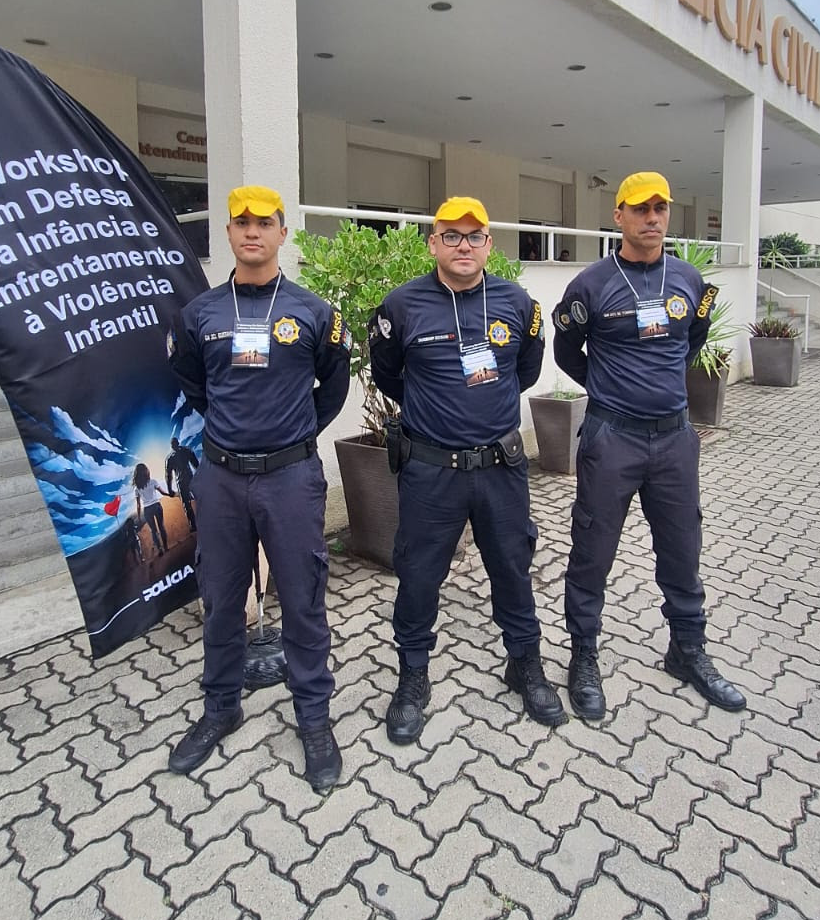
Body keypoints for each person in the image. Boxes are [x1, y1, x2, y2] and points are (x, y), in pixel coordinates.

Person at [167, 185, 352, 791]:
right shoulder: (200, 315)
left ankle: (314, 717)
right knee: (221, 597)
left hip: (291, 478)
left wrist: (290, 438)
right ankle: (222, 706)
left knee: (303, 597)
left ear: (283, 233)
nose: (252, 232)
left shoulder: (313, 312)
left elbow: (331, 389)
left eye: (264, 223)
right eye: (241, 222)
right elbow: (195, 385)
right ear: (228, 234)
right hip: (220, 478)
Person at [369, 196, 566, 745]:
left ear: (489, 245)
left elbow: (524, 371)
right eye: (451, 235)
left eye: (474, 236)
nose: (463, 245)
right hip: (431, 471)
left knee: (512, 567)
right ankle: (412, 677)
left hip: (500, 468)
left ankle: (524, 663)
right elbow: (389, 376)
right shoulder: (401, 306)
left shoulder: (517, 303)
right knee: (418, 576)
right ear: (432, 243)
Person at [552, 172, 746, 717]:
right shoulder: (590, 285)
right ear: (619, 216)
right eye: (641, 209)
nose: (654, 218)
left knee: (683, 552)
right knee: (592, 554)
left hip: (676, 441)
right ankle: (583, 655)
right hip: (612, 439)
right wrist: (612, 391)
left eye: (660, 207)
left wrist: (658, 391)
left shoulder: (689, 279)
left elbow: (693, 341)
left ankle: (687, 650)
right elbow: (568, 352)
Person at [132, 462, 171, 555]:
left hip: (147, 510)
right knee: (161, 527)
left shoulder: (137, 488)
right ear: (146, 471)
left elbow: (138, 505)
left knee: (153, 530)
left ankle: (160, 550)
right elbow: (162, 492)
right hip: (157, 506)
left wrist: (138, 516)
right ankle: (166, 547)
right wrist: (170, 494)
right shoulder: (153, 481)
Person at [165, 436, 199, 531]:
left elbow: (168, 476)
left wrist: (169, 489)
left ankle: (193, 524)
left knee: (187, 503)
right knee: (194, 499)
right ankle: (195, 523)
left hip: (182, 481)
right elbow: (196, 464)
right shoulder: (186, 451)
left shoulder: (170, 458)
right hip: (188, 479)